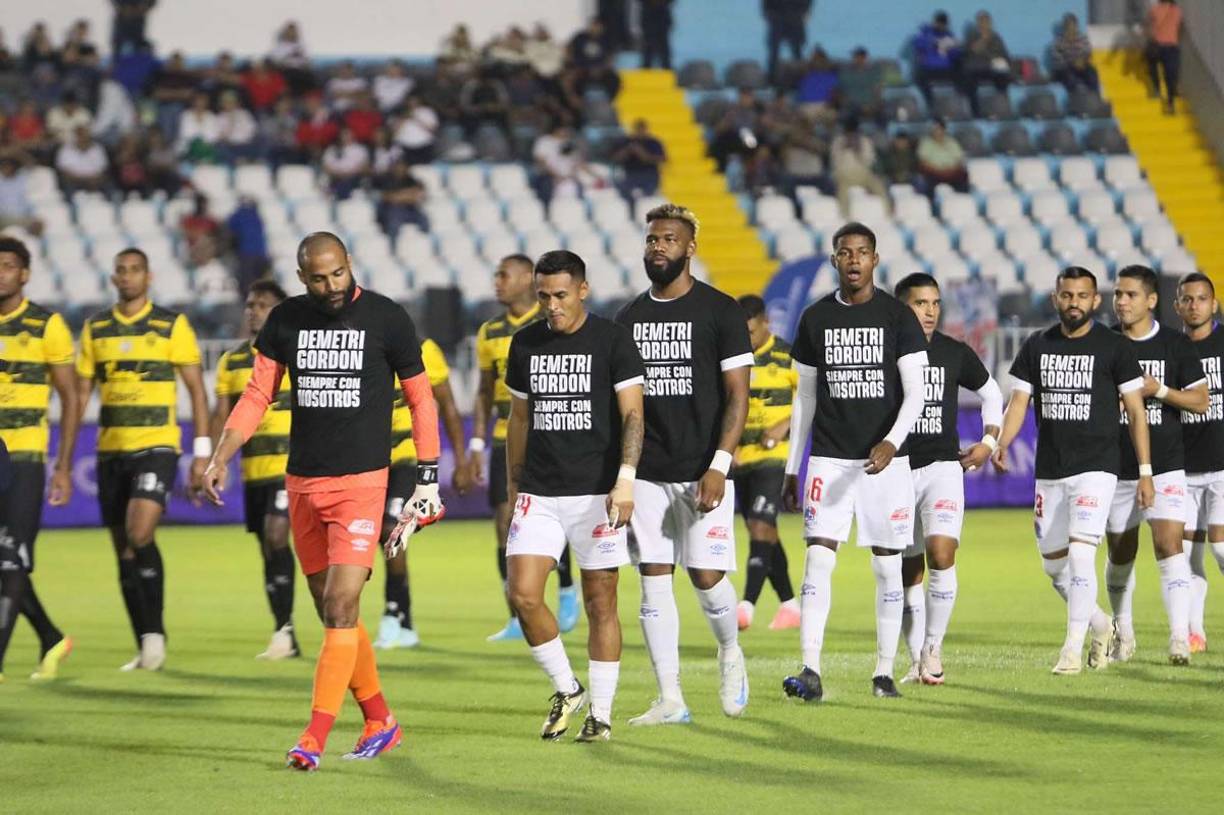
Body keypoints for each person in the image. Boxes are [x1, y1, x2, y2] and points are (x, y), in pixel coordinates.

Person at [202, 232, 444, 771]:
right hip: (303, 484)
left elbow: (421, 397)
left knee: (339, 605)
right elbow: (258, 394)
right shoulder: (285, 321)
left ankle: (313, 735)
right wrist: (221, 454)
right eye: (319, 278)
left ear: (349, 264)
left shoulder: (387, 318)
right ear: (301, 276)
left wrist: (427, 476)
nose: (331, 286)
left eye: (338, 274)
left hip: (362, 482)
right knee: (329, 608)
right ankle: (380, 718)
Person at [615, 203, 753, 724]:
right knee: (653, 578)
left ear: (690, 248)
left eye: (669, 240)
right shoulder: (629, 317)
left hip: (703, 468)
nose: (658, 247)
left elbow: (738, 396)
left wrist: (720, 463)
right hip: (649, 469)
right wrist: (624, 474)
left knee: (706, 577)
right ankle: (670, 697)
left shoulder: (721, 311)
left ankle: (729, 653)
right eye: (652, 239)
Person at [780, 222, 928, 703]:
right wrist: (791, 465)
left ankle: (883, 672)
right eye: (845, 253)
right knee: (818, 558)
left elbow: (917, 393)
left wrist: (891, 441)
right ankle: (810, 669)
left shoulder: (897, 317)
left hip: (885, 464)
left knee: (888, 567)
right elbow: (804, 397)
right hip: (828, 459)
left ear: (875, 259)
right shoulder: (815, 318)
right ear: (834, 261)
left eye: (862, 252)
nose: (854, 260)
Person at [504, 249, 645, 742]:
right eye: (543, 296)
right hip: (539, 491)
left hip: (597, 493)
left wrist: (625, 479)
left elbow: (632, 414)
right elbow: (519, 419)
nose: (552, 306)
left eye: (561, 295)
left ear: (582, 290)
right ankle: (567, 686)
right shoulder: (524, 344)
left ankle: (600, 714)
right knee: (522, 593)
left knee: (600, 602)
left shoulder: (612, 340)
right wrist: (513, 483)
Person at [994, 266, 1152, 675]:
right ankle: (1100, 624)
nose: (1075, 303)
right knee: (1054, 565)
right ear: (1056, 298)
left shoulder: (1115, 347)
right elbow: (1018, 404)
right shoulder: (1036, 346)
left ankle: (1071, 648)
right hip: (1050, 470)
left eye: (1083, 296)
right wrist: (1002, 443)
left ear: (1095, 301)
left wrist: (1146, 471)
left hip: (1097, 468)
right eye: (1068, 295)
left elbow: (1136, 412)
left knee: (1083, 554)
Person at [76, 248, 211, 672]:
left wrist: (201, 453)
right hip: (110, 450)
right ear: (114, 278)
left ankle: (154, 636)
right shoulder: (96, 328)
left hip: (158, 446)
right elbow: (80, 393)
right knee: (123, 551)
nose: (128, 277)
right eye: (121, 271)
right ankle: (144, 640)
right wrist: (62, 459)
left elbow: (196, 390)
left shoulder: (171, 325)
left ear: (148, 277)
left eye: (135, 270)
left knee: (139, 534)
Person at [893, 273, 1003, 685]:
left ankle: (932, 649)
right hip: (898, 469)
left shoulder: (953, 352)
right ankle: (913, 658)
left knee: (942, 555)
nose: (930, 310)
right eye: (920, 303)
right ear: (902, 306)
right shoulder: (888, 351)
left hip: (943, 467)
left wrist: (989, 442)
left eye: (935, 303)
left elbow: (993, 393)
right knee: (907, 572)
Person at [472, 255, 578, 641]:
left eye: (504, 274)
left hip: (549, 434)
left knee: (558, 517)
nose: (496, 281)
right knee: (506, 523)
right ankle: (517, 616)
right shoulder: (489, 332)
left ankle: (567, 589)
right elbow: (483, 392)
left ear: (525, 279)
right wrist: (476, 443)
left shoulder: (551, 320)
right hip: (506, 435)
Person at [1102, 265, 1203, 665]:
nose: (1121, 302)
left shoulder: (1175, 346)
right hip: (1114, 468)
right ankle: (1122, 630)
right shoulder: (1104, 343)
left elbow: (1200, 400)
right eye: (1117, 294)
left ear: (1151, 300)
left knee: (1168, 545)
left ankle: (1180, 637)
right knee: (1121, 553)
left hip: (1164, 465)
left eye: (1130, 295)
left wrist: (1157, 389)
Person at [0, 237, 79, 682]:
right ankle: (50, 637)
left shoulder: (46, 325)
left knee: (12, 559)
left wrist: (64, 466)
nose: (0, 273)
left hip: (25, 455)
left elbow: (70, 398)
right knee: (4, 558)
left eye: (8, 266)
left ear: (24, 274)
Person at [211, 281, 299, 659]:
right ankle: (285, 629)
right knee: (267, 544)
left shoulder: (299, 353)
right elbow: (224, 414)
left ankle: (288, 629)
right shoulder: (231, 361)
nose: (253, 311)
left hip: (291, 467)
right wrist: (217, 458)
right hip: (255, 470)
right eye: (250, 304)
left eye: (262, 305)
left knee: (277, 535)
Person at [375, 339, 471, 650]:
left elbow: (448, 407)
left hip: (409, 457)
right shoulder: (366, 351)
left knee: (393, 528)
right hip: (372, 460)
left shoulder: (426, 350)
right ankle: (407, 623)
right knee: (378, 535)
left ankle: (392, 611)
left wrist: (460, 458)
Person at [732, 295, 800, 632]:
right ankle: (789, 604)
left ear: (766, 323)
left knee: (760, 526)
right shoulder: (733, 359)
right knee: (764, 531)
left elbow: (811, 402)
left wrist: (784, 424)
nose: (745, 338)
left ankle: (746, 605)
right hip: (743, 458)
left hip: (775, 460)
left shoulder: (788, 357)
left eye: (750, 331)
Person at [1173, 272, 1224, 653]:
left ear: (1214, 304)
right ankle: (1195, 633)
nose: (1195, 306)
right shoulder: (1170, 348)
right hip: (1182, 469)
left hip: (1223, 467)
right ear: (1177, 306)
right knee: (1189, 553)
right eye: (1187, 300)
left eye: (1201, 299)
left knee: (1220, 548)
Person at [830, 119, 887, 215]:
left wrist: (858, 151)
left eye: (853, 134)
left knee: (879, 187)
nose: (851, 136)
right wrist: (843, 149)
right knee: (842, 192)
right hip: (844, 176)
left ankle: (887, 214)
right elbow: (834, 163)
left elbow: (869, 162)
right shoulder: (838, 142)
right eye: (849, 134)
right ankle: (845, 216)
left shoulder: (864, 141)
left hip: (863, 175)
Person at [962, 10, 1012, 111]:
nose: (984, 24)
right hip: (976, 69)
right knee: (969, 81)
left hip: (992, 68)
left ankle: (1004, 107)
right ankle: (975, 111)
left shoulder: (996, 37)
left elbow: (1004, 55)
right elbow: (970, 51)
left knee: (1003, 76)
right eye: (981, 21)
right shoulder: (972, 36)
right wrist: (983, 40)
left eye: (986, 21)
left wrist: (993, 57)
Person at [912, 11, 962, 108]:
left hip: (946, 69)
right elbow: (917, 43)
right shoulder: (925, 34)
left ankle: (959, 104)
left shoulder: (949, 36)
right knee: (919, 77)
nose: (941, 26)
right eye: (939, 23)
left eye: (943, 24)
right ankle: (930, 105)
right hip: (929, 69)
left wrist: (953, 49)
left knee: (961, 73)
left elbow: (955, 55)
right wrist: (933, 42)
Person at [611, 119, 666, 199]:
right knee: (623, 192)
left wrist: (644, 155)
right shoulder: (626, 142)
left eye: (642, 129)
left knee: (649, 197)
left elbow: (663, 159)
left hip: (649, 174)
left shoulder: (653, 142)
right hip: (630, 174)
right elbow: (615, 159)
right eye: (638, 129)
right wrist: (627, 151)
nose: (640, 132)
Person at [374, 158, 428, 238]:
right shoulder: (388, 179)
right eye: (399, 167)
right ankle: (393, 247)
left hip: (410, 209)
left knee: (424, 220)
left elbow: (418, 196)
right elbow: (388, 197)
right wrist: (407, 194)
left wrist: (400, 196)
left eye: (403, 167)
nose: (401, 169)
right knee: (393, 224)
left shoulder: (410, 179)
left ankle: (423, 243)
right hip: (393, 210)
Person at [1147, 0, 1183, 114]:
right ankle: (1170, 103)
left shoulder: (1154, 10)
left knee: (1152, 65)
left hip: (1158, 45)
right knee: (1171, 75)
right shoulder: (1176, 10)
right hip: (1172, 46)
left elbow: (1149, 28)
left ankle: (1157, 88)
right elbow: (1181, 28)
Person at [763, 0, 812, 84]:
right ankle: (772, 78)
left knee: (796, 52)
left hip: (795, 17)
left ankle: (800, 79)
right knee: (774, 52)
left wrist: (805, 11)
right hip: (779, 18)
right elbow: (766, 4)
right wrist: (769, 13)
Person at [916, 118, 968, 194]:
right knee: (924, 180)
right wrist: (938, 171)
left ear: (944, 130)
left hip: (951, 172)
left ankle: (961, 201)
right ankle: (931, 204)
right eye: (935, 129)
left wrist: (951, 170)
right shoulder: (925, 143)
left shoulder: (952, 142)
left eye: (939, 129)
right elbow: (923, 162)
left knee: (963, 176)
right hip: (934, 172)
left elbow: (960, 159)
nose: (937, 131)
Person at [1051, 13, 1099, 94]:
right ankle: (1075, 99)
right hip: (1066, 69)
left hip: (1081, 66)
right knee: (1070, 77)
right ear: (1064, 27)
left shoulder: (1082, 38)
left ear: (1076, 26)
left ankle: (1094, 98)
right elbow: (1058, 62)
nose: (1071, 29)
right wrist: (1073, 63)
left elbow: (1088, 53)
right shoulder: (1058, 42)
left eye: (1073, 26)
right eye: (1068, 26)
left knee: (1092, 72)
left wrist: (1082, 61)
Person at [321, 127, 369, 200]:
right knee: (330, 182)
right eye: (343, 134)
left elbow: (364, 166)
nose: (345, 136)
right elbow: (326, 166)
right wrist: (338, 173)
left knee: (344, 183)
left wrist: (348, 174)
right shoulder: (332, 149)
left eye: (347, 134)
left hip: (353, 177)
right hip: (335, 176)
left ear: (352, 135)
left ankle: (341, 202)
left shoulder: (360, 149)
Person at [839, 47, 884, 124]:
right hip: (851, 106)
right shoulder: (846, 73)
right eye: (854, 57)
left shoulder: (874, 73)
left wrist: (874, 106)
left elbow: (878, 91)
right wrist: (846, 103)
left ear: (864, 58)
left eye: (858, 57)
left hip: (870, 105)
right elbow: (842, 91)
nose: (856, 59)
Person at [640, 0, 674, 69]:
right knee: (648, 45)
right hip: (648, 16)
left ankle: (666, 67)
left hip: (663, 16)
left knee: (664, 45)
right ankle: (646, 67)